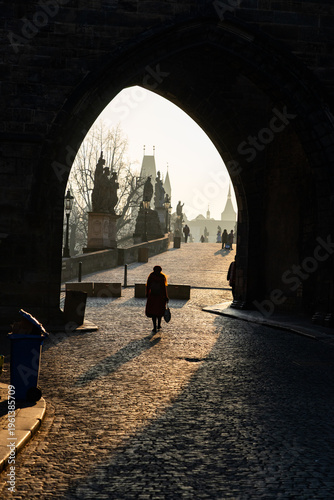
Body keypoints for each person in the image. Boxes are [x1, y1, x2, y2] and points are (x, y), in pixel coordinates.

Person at [145, 265, 169, 333]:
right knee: (159, 311)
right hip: (160, 297)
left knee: (153, 313)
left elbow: (148, 286)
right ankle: (159, 325)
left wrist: (147, 294)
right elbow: (164, 288)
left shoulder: (151, 276)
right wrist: (166, 296)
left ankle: (154, 326)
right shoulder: (162, 277)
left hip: (152, 296)